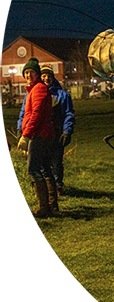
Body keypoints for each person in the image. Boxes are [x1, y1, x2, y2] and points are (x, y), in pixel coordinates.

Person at [18, 64, 75, 195]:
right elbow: (24, 113)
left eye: (49, 76)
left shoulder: (61, 95)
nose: (46, 78)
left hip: (53, 132)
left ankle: (55, 189)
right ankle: (49, 196)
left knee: (54, 162)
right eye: (44, 75)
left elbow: (68, 114)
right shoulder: (32, 92)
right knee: (43, 164)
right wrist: (20, 127)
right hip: (40, 132)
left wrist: (67, 131)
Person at [16, 58, 57, 217]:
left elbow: (37, 114)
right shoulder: (34, 89)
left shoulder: (39, 89)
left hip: (39, 135)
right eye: (26, 72)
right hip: (42, 134)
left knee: (33, 169)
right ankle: (51, 206)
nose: (28, 75)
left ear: (37, 73)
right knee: (45, 168)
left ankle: (43, 208)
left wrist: (26, 136)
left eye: (31, 72)